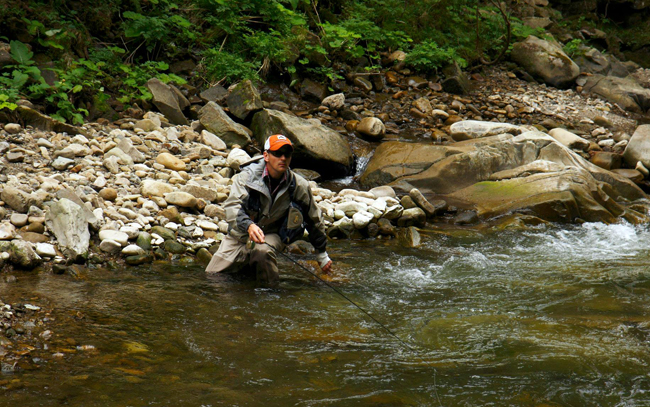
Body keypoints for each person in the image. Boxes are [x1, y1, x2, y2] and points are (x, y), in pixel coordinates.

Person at [205, 134, 333, 286]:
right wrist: (249, 225)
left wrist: (321, 254)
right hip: (240, 235)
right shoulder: (246, 178)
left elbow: (314, 218)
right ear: (266, 156)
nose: (283, 158)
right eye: (278, 153)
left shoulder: (299, 186)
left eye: (287, 154)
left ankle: (270, 292)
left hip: (272, 234)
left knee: (262, 250)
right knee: (211, 278)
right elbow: (233, 207)